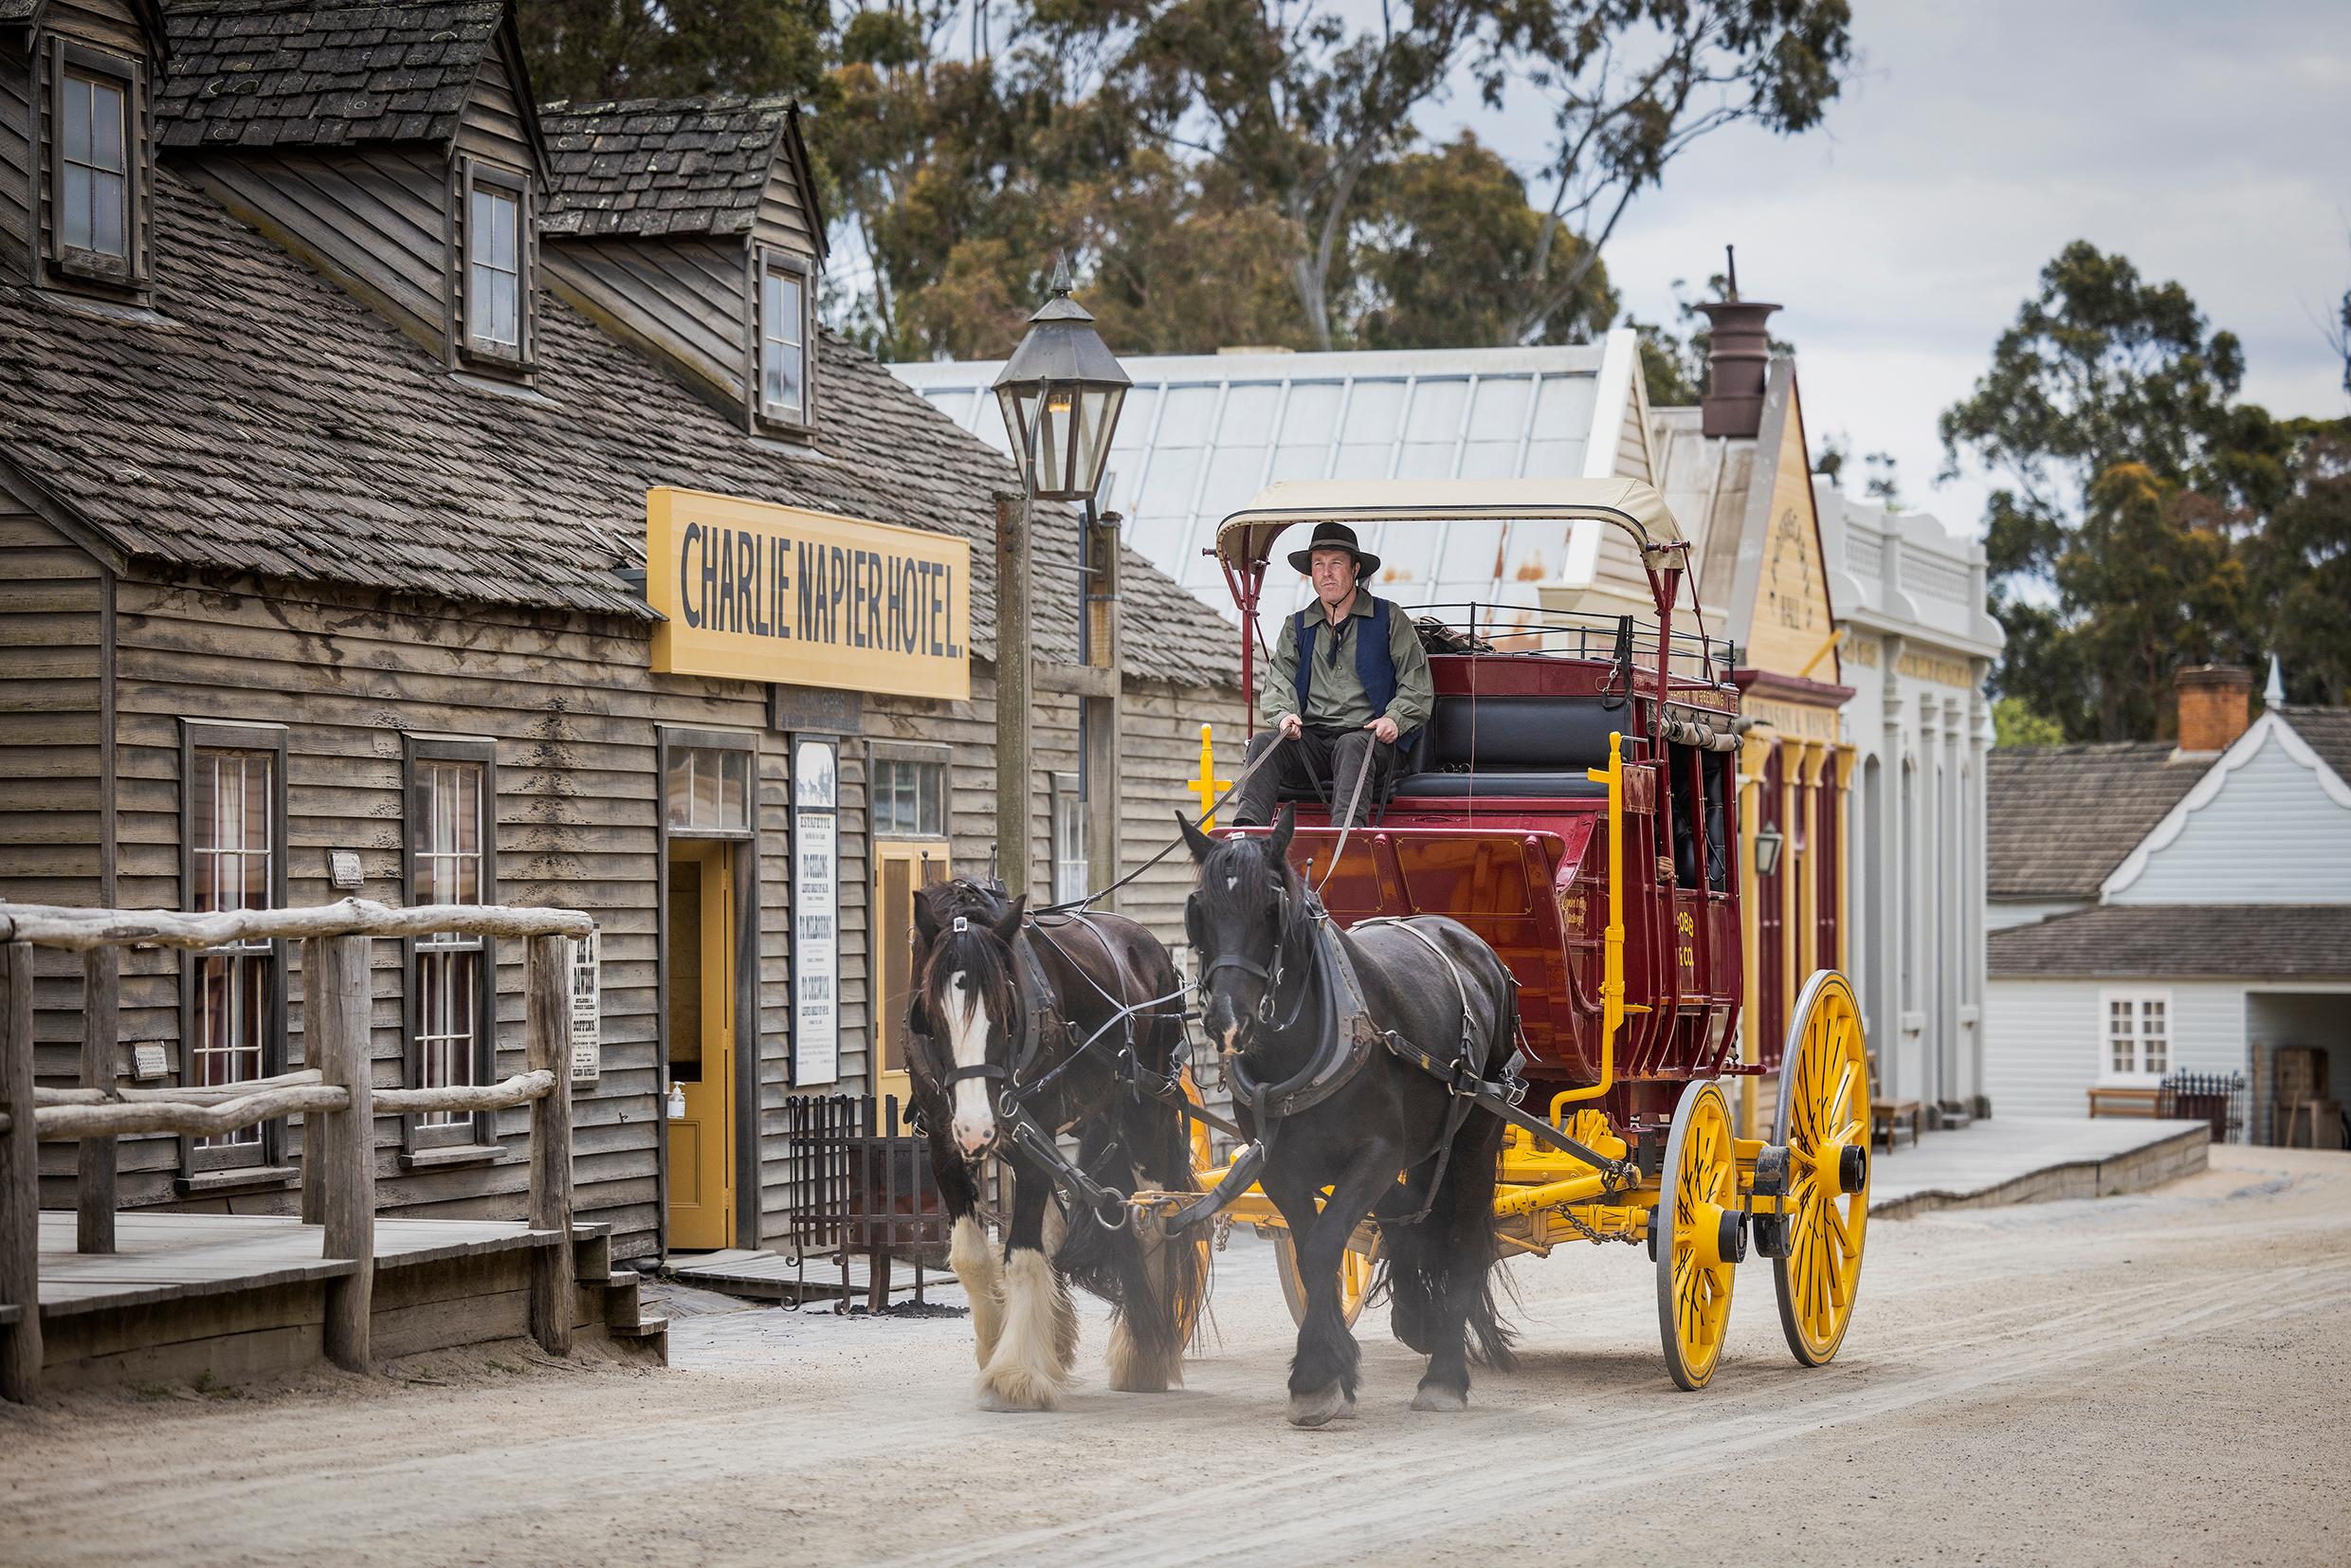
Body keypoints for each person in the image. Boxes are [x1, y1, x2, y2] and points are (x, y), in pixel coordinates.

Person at [1230, 521, 1432, 829]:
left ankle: (1346, 839)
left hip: (1371, 741)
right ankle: (1247, 838)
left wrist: (1395, 719)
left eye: (1336, 563)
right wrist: (1284, 716)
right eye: (1318, 564)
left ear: (1355, 570)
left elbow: (1416, 683)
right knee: (1262, 744)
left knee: (1352, 745)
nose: (1326, 573)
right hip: (1312, 740)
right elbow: (1279, 679)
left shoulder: (1389, 618)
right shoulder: (1297, 625)